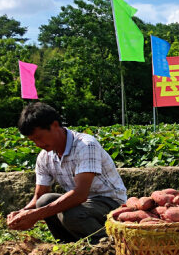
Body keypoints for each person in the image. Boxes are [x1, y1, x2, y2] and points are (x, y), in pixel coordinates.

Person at [7, 102, 127, 244]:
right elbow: (39, 195)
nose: (38, 144)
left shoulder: (86, 145)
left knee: (71, 214)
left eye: (39, 137)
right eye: (33, 140)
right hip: (83, 205)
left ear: (55, 126)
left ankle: (106, 244)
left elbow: (80, 194)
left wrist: (35, 215)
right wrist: (23, 212)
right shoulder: (45, 157)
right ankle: (69, 243)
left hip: (110, 203)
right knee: (44, 201)